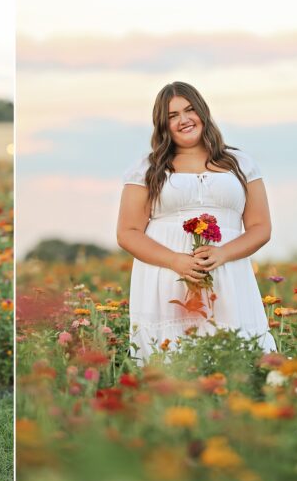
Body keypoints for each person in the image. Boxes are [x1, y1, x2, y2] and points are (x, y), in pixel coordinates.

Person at [116, 81, 277, 362]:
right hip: (166, 275)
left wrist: (222, 253)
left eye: (189, 110)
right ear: (163, 125)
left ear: (203, 112)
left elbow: (261, 227)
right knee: (171, 356)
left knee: (235, 353)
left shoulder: (240, 164)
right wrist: (175, 261)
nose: (183, 120)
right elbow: (128, 232)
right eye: (172, 116)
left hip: (227, 272)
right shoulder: (148, 168)